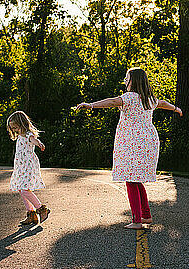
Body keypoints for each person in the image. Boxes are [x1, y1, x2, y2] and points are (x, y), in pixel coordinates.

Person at [75, 67, 182, 229]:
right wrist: (176, 109)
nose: (125, 80)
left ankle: (137, 221)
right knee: (136, 179)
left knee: (130, 180)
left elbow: (111, 102)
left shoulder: (129, 98)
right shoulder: (149, 99)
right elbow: (163, 104)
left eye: (127, 78)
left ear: (134, 81)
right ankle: (146, 215)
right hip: (149, 141)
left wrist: (91, 105)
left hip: (132, 141)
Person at [7, 111, 50, 226]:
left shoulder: (27, 134)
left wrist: (39, 143)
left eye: (16, 127)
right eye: (12, 128)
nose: (14, 130)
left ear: (22, 124)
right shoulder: (20, 137)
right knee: (21, 189)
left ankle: (41, 209)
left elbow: (33, 139)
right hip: (20, 167)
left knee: (25, 189)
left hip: (28, 166)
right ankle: (31, 214)